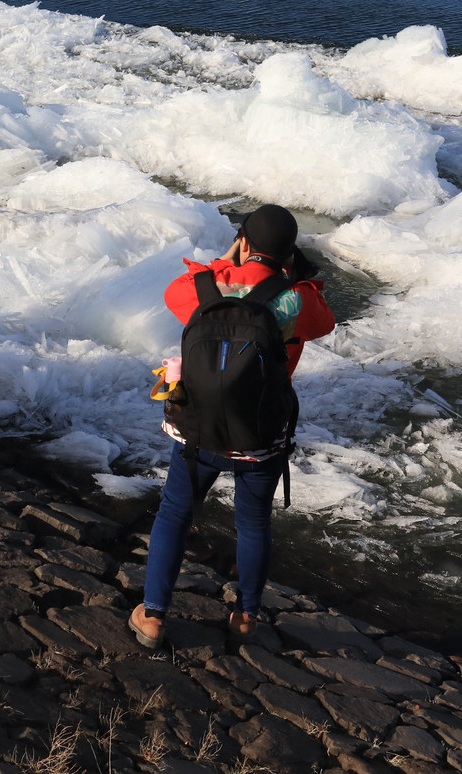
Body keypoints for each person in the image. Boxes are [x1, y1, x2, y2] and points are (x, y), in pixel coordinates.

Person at [129, 204, 336, 650]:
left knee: (175, 513)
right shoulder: (296, 299)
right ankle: (245, 617)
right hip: (259, 434)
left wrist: (225, 261)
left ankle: (153, 615)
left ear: (243, 242)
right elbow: (325, 321)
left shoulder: (203, 287)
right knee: (254, 522)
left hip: (197, 430)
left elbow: (172, 293)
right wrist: (292, 276)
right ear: (288, 254)